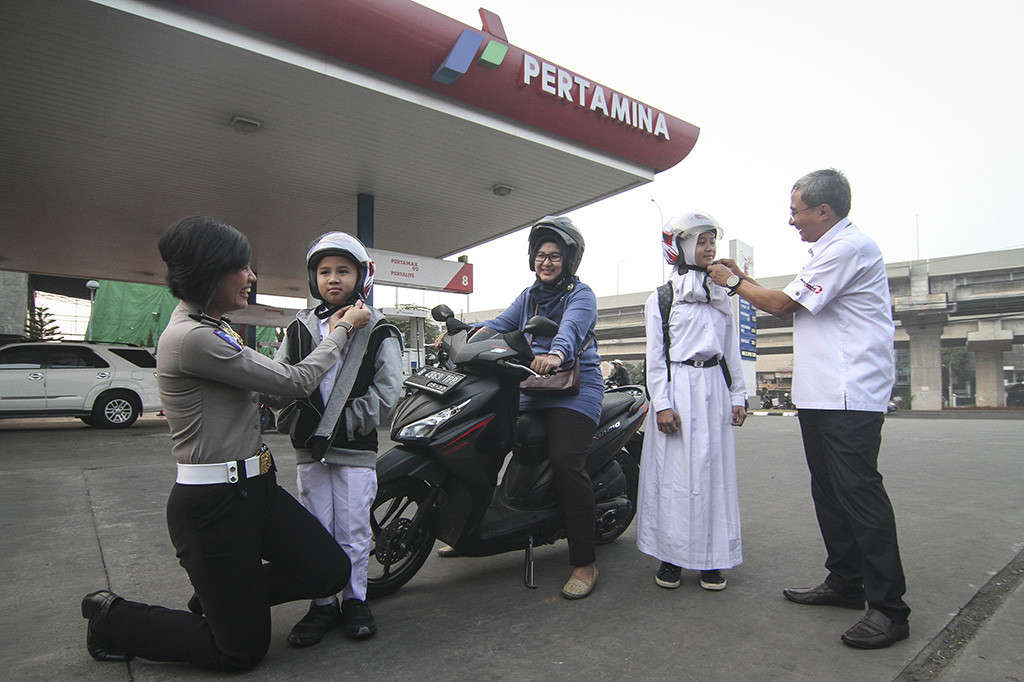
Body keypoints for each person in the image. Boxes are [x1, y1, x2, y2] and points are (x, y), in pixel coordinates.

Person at [80, 216, 371, 671]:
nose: (252, 277)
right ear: (211, 272)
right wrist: (342, 330)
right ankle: (112, 617)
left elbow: (272, 388)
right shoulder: (192, 339)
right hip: (213, 506)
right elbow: (294, 382)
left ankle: (226, 594)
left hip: (258, 488)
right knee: (238, 651)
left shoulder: (214, 326)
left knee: (329, 570)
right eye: (243, 268)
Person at [708, 169, 910, 649]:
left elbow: (782, 305)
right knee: (830, 493)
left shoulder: (848, 249)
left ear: (825, 210)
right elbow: (788, 297)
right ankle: (845, 582)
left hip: (849, 393)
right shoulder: (827, 251)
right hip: (821, 393)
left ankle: (890, 610)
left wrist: (734, 284)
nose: (791, 219)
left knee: (860, 497)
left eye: (796, 210)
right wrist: (743, 279)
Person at [269, 232, 402, 645]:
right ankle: (322, 603)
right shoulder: (298, 328)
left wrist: (344, 424)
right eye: (324, 271)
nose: (333, 278)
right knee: (316, 528)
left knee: (353, 528)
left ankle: (355, 600)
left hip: (354, 449)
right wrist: (293, 419)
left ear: (360, 276)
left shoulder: (381, 330)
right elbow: (278, 380)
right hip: (310, 450)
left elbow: (388, 392)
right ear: (313, 278)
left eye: (343, 270)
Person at [474, 216, 603, 599]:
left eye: (555, 256)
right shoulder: (529, 295)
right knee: (487, 439)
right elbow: (500, 324)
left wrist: (557, 354)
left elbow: (571, 331)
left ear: (568, 261)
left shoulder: (581, 294)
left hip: (574, 386)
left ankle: (584, 561)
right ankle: (473, 527)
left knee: (566, 459)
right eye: (541, 255)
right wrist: (461, 336)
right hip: (532, 384)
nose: (546, 262)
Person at [636, 212, 747, 593]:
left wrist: (738, 396)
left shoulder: (724, 295)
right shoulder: (662, 298)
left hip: (714, 389)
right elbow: (655, 357)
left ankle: (712, 560)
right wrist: (662, 403)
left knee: (713, 477)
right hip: (677, 390)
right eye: (701, 241)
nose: (709, 247)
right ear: (682, 247)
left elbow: (730, 351)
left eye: (712, 240)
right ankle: (672, 558)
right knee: (675, 478)